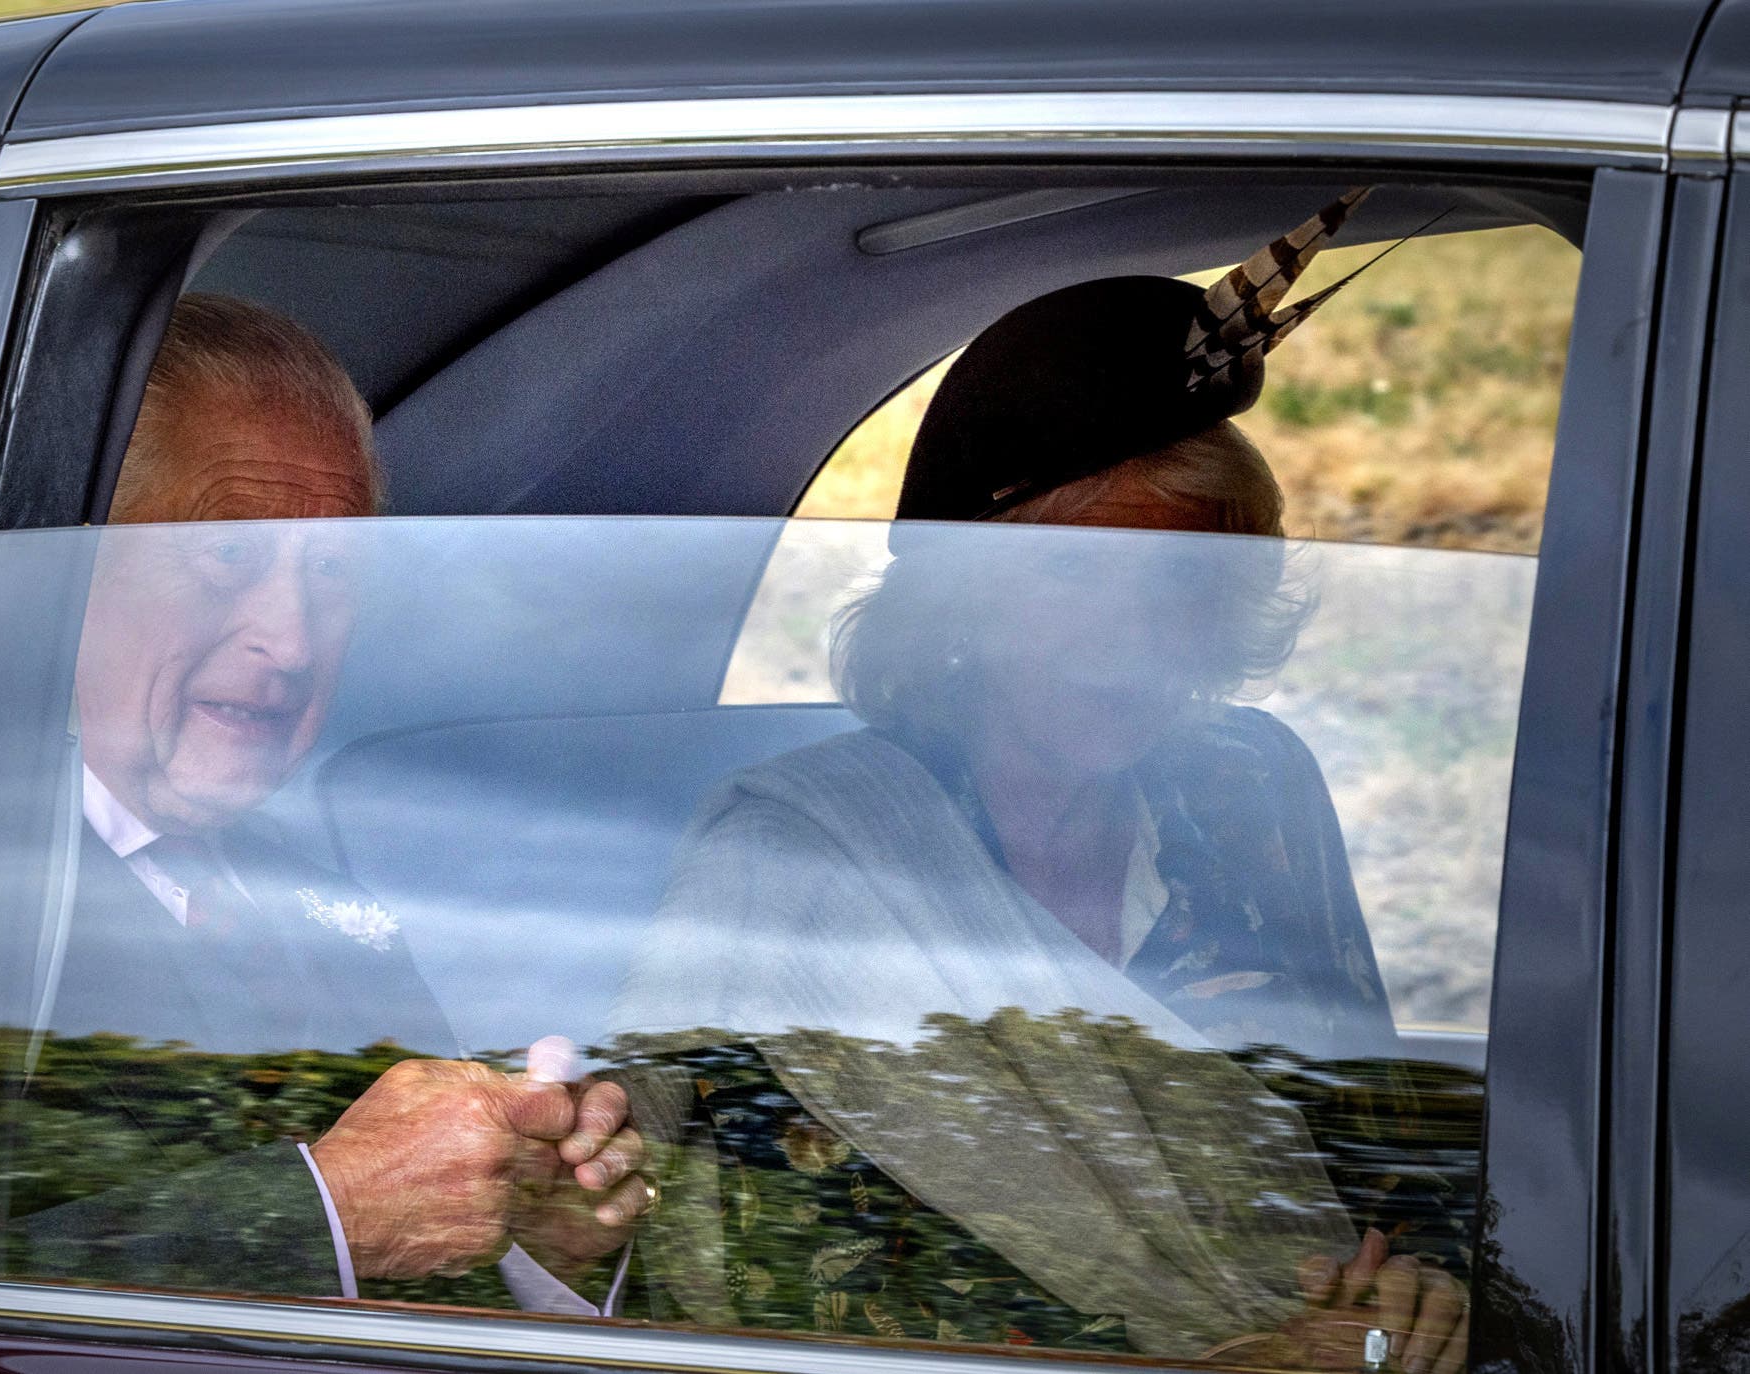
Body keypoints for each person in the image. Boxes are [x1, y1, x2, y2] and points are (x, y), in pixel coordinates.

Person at [609, 190, 1467, 1368]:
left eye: (1184, 592)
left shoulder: (1249, 792)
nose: (1135, 642)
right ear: (964, 605)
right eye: (1077, 578)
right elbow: (741, 1302)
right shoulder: (798, 869)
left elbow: (1388, 1157)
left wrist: (1427, 1292)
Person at [14, 294, 651, 1308]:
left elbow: (433, 1246)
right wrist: (327, 1217)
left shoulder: (313, 899)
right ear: (69, 570)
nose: (293, 639)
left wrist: (536, 1233)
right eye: (228, 554)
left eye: (334, 574)